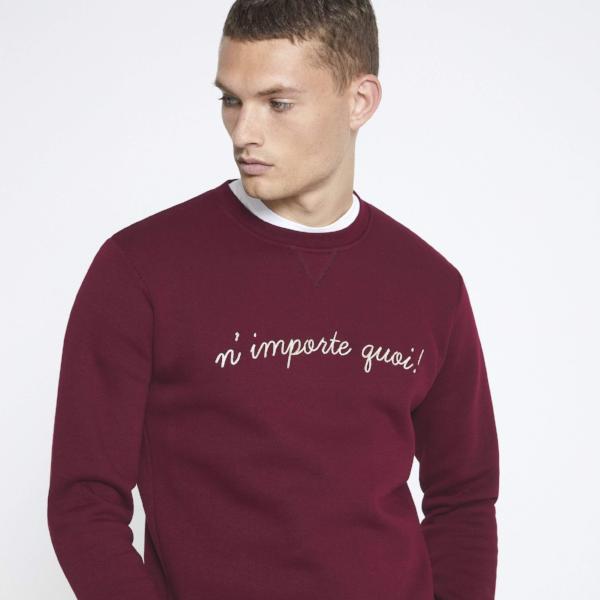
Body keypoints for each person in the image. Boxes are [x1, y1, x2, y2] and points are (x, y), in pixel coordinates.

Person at [47, 1, 500, 599]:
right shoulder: (141, 269)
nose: (244, 132)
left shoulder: (430, 285)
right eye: (231, 100)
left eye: (277, 103)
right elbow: (83, 500)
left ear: (360, 101)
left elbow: (465, 496)